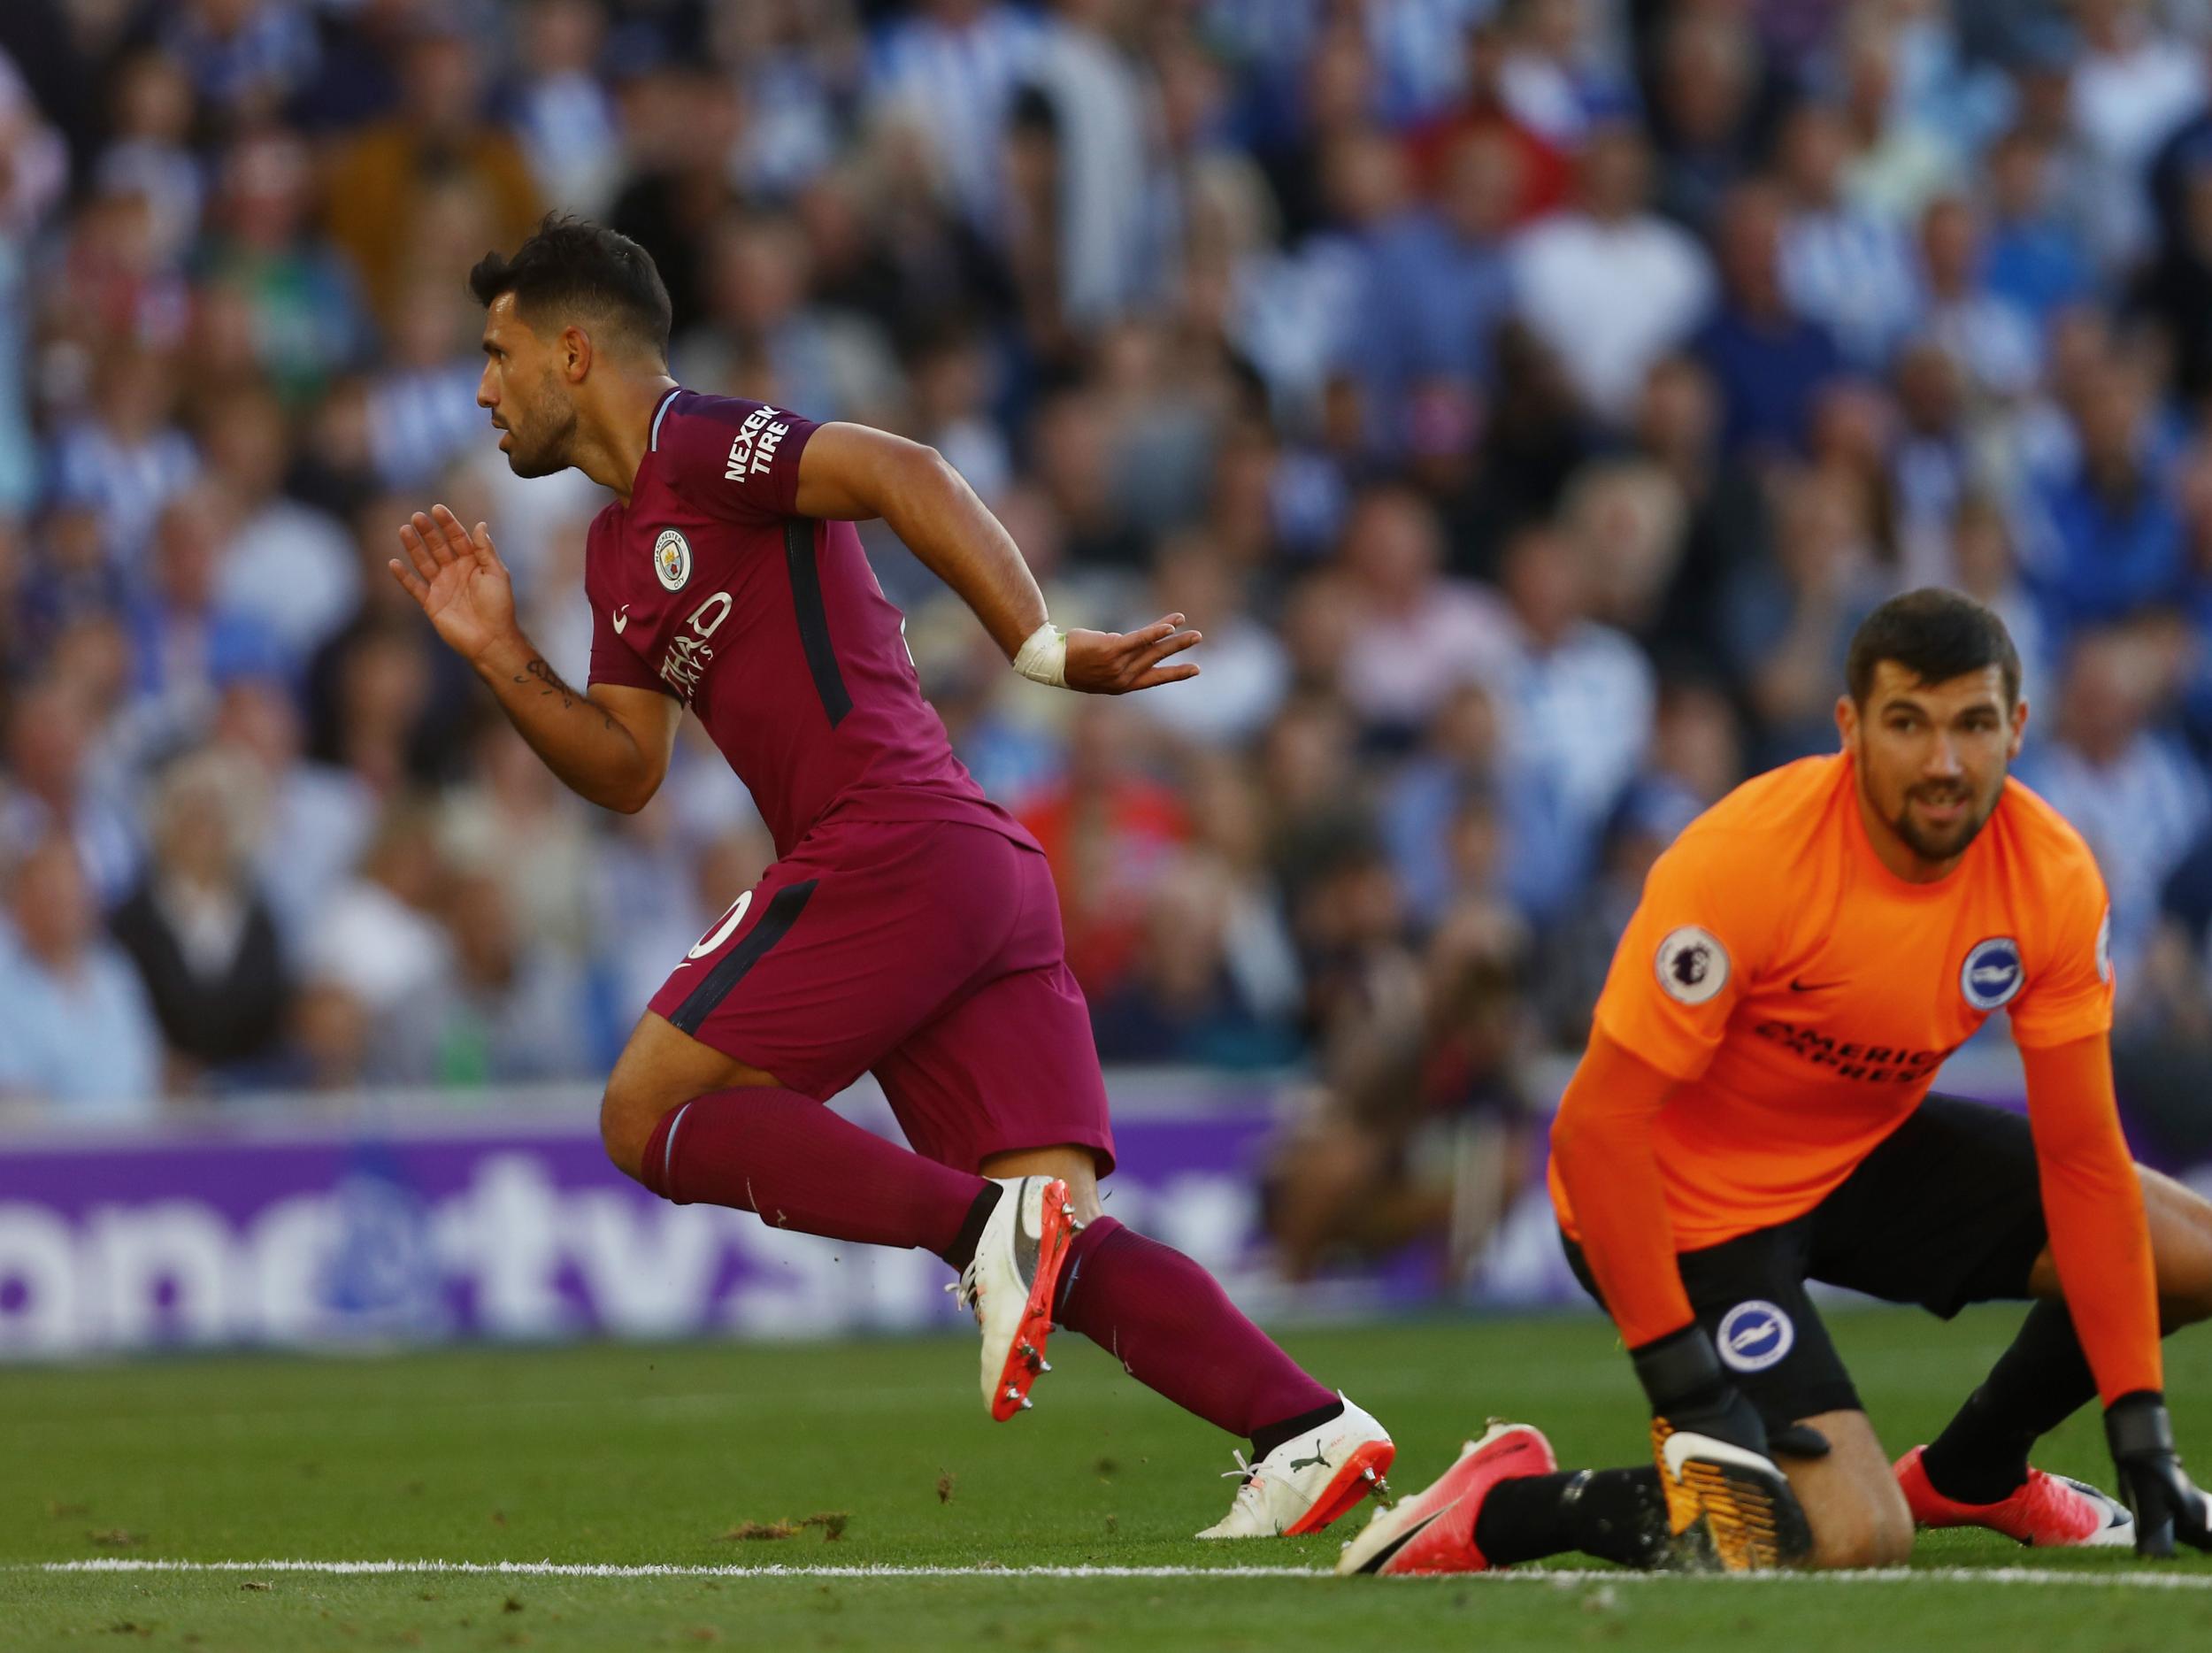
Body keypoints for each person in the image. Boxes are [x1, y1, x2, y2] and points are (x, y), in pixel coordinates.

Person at [387, 216, 1393, 1538]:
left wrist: (1037, 648)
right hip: (961, 875)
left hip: (894, 839)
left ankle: (980, 1233)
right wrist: (499, 656)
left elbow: (901, 468)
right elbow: (629, 769)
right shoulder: (616, 550)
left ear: (575, 352)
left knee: (643, 1114)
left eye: (498, 352)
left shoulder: (706, 441)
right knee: (1068, 1247)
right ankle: (1310, 1431)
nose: (481, 387)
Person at [1340, 589, 2212, 1575]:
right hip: (1684, 1209)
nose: (1942, 762)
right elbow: (1594, 1130)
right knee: (1851, 1533)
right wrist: (1684, 1383)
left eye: (1971, 724)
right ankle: (1508, 1504)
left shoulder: (2051, 872)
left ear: (2015, 728)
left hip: (1857, 1151)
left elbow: (2084, 1162)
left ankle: (1975, 1472)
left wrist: (2141, 1426)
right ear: (1849, 729)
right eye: (1907, 724)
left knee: (2189, 1255)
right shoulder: (1745, 860)